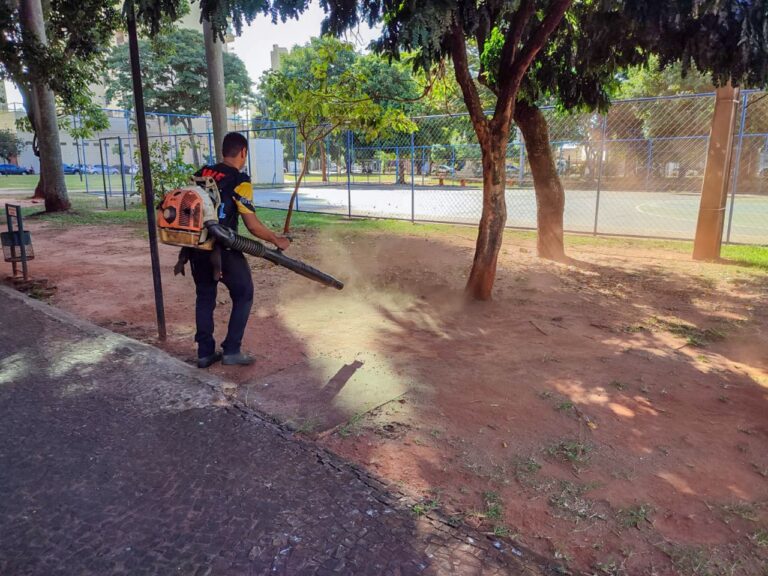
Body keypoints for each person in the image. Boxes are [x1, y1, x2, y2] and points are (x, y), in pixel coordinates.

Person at [190, 132, 290, 368]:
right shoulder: (239, 180)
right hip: (224, 247)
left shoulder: (202, 173)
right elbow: (252, 226)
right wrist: (276, 239)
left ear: (224, 151)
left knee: (205, 297)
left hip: (197, 246)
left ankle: (205, 353)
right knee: (244, 293)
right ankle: (232, 350)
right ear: (243, 152)